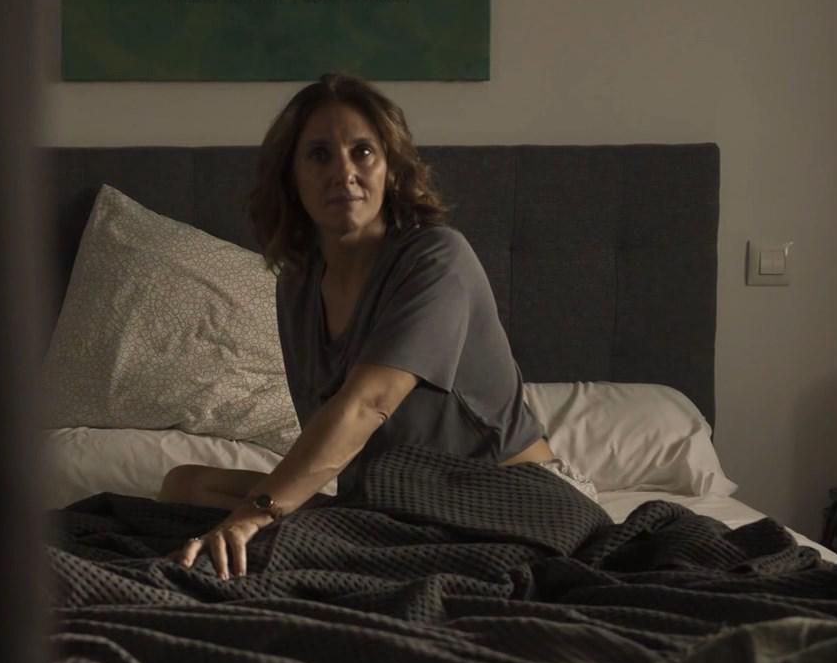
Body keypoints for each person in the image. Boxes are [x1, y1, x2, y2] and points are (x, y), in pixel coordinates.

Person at [162, 72, 587, 580]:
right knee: (184, 485)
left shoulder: (438, 258)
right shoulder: (298, 284)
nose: (343, 172)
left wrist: (256, 513)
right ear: (292, 178)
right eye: (319, 155)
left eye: (362, 151)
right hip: (395, 505)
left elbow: (367, 404)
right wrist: (260, 509)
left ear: (391, 169)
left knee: (263, 532)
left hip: (512, 498)